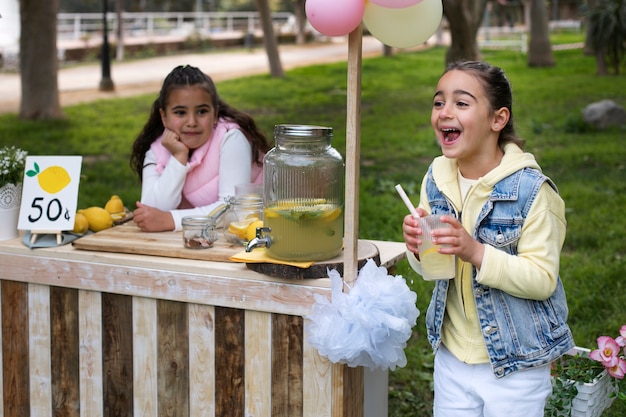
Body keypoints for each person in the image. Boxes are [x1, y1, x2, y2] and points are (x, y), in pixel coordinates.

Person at [401, 61, 574, 417]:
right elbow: (435, 269)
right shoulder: (436, 178)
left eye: (461, 103)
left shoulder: (531, 192)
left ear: (498, 119)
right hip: (452, 357)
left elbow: (542, 280)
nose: (445, 111)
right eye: (438, 102)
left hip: (516, 366)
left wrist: (476, 252)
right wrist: (418, 247)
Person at [130, 65, 271, 232]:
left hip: (255, 235)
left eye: (202, 111)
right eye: (180, 112)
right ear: (164, 117)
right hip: (205, 240)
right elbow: (152, 212)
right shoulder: (157, 151)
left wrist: (172, 220)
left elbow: (235, 210)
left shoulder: (231, 137)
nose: (191, 121)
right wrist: (178, 157)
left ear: (215, 114)